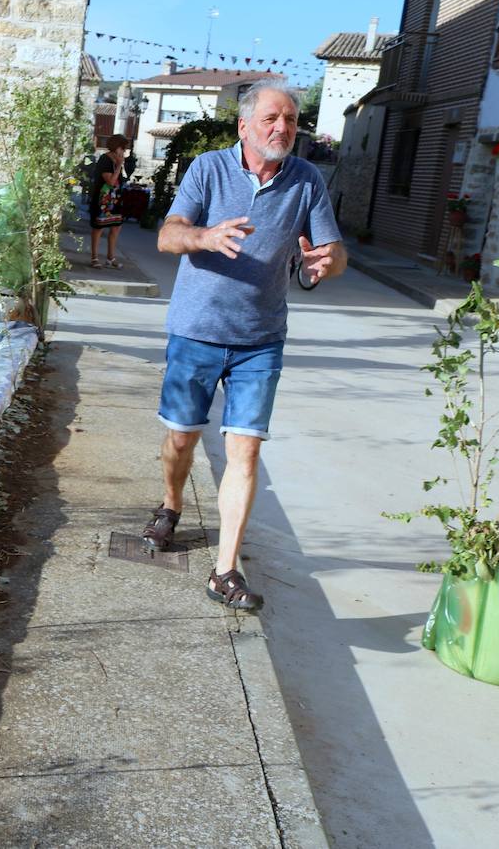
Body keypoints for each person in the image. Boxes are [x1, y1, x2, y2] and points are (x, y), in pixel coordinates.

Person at [140, 79, 347, 611]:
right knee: (182, 440)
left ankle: (224, 569)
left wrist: (328, 263)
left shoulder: (306, 181)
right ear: (245, 125)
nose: (282, 129)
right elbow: (168, 235)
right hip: (196, 330)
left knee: (246, 448)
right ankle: (170, 503)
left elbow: (333, 250)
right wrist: (205, 237)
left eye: (291, 121)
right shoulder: (208, 168)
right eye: (271, 119)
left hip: (261, 339)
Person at [88, 135, 128, 268]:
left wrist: (120, 164)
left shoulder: (117, 160)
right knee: (98, 228)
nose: (124, 151)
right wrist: (119, 165)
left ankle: (111, 257)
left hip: (115, 199)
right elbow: (110, 181)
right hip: (103, 200)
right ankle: (94, 257)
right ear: (117, 147)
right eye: (123, 148)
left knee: (116, 227)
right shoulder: (105, 159)